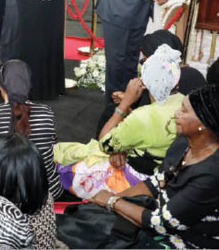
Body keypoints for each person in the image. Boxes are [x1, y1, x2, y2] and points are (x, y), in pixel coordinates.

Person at [64, 85, 219, 249]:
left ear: (203, 125)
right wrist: (110, 200)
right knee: (89, 221)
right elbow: (154, 183)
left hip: (194, 242)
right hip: (166, 220)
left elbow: (163, 223)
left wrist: (112, 202)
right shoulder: (184, 142)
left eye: (183, 111)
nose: (176, 113)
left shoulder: (214, 173)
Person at [56, 45, 184, 199]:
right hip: (167, 177)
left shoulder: (142, 116)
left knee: (64, 166)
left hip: (137, 182)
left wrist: (124, 104)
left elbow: (104, 142)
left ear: (146, 82)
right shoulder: (184, 101)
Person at [0, 59, 62, 200]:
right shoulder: (47, 113)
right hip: (45, 195)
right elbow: (52, 147)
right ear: (29, 86)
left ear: (2, 88)